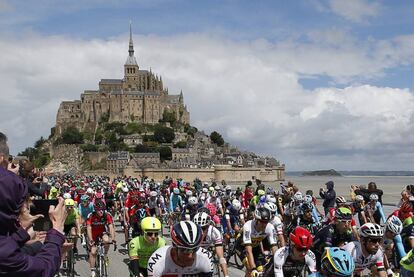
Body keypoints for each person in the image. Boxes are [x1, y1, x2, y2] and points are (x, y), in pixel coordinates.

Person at [0, 131, 67, 276]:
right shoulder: (12, 184)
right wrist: (56, 231)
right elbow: (42, 270)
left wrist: (21, 233)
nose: (13, 167)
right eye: (8, 162)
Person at [147, 221, 213, 277]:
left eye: (195, 249)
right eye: (185, 250)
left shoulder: (205, 259)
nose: (190, 256)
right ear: (174, 247)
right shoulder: (157, 262)